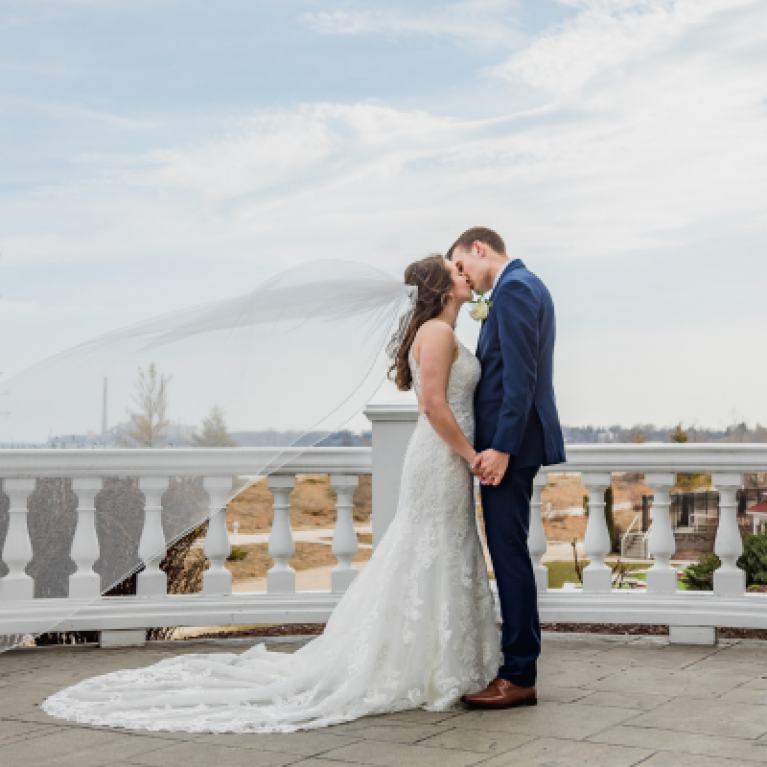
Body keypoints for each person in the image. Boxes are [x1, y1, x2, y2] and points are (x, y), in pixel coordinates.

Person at [41, 254, 501, 734]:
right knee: (430, 549)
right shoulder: (438, 333)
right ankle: (429, 663)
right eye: (455, 270)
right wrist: (472, 456)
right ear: (441, 286)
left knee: (442, 548)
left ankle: (439, 659)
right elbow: (431, 405)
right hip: (443, 459)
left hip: (445, 459)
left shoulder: (442, 332)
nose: (464, 273)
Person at [447, 226, 566, 710]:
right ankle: (517, 666)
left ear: (479, 248)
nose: (463, 279)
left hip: (509, 447)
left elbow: (521, 378)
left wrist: (502, 447)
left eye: (461, 265)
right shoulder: (521, 285)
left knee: (509, 554)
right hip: (513, 443)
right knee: (509, 551)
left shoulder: (515, 288)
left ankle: (519, 673)